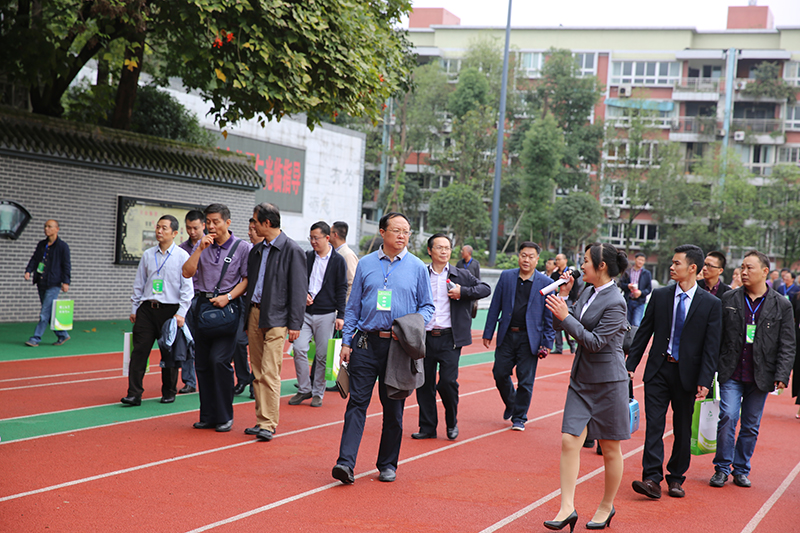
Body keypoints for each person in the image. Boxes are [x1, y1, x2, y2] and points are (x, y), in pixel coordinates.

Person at [331, 212, 434, 485]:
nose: (402, 235)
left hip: (399, 347)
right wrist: (347, 342)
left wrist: (411, 327)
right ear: (382, 232)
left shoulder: (417, 267)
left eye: (406, 231)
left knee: (394, 410)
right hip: (366, 342)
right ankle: (345, 463)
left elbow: (428, 306)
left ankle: (387, 464)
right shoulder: (366, 264)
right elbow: (353, 306)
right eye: (397, 230)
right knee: (356, 403)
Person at [543, 243, 630, 531]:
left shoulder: (616, 302)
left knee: (610, 448)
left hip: (609, 382)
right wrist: (564, 299)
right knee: (569, 441)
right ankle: (566, 507)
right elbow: (562, 326)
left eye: (585, 261)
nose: (580, 266)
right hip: (581, 379)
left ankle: (606, 505)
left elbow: (594, 342)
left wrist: (566, 315)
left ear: (601, 266)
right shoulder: (586, 292)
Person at [626, 244, 722, 500]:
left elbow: (712, 346)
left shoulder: (711, 304)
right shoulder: (660, 296)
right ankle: (652, 478)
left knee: (682, 428)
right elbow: (644, 332)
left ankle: (677, 477)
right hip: (658, 370)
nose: (671, 267)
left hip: (687, 375)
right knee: (654, 426)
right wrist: (630, 365)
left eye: (677, 263)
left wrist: (705, 380)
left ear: (692, 268)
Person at [710, 250, 795, 489]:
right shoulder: (729, 299)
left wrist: (782, 374)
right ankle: (722, 468)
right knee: (728, 416)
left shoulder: (781, 304)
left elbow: (788, 343)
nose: (744, 272)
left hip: (761, 374)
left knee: (750, 425)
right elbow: (716, 336)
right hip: (731, 370)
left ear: (765, 271)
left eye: (750, 268)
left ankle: (741, 469)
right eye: (743, 267)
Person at [413, 234, 490, 441]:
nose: (444, 251)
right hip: (424, 337)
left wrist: (462, 292)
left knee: (447, 382)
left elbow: (485, 289)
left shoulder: (461, 274)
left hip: (450, 338)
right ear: (430, 251)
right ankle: (427, 427)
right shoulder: (421, 274)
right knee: (424, 384)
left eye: (447, 248)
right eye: (439, 247)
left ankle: (451, 422)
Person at [182, 204, 251, 433]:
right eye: (208, 222)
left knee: (219, 360)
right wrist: (199, 250)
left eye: (216, 222)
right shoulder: (201, 245)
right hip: (202, 308)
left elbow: (246, 280)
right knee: (202, 363)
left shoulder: (242, 247)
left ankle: (224, 415)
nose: (211, 226)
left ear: (227, 222)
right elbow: (187, 272)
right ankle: (208, 416)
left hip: (227, 309)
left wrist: (227, 297)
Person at [242, 203, 307, 441]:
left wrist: (295, 324)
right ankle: (262, 420)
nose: (253, 225)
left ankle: (268, 424)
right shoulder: (257, 251)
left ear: (267, 223)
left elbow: (299, 290)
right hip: (255, 314)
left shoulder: (292, 250)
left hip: (277, 317)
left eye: (255, 221)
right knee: (257, 371)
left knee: (270, 371)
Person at [122, 215, 194, 406]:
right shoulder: (148, 255)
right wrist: (135, 308)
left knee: (169, 353)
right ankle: (134, 394)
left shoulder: (182, 256)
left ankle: (169, 391)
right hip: (147, 309)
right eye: (158, 227)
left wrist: (181, 313)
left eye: (164, 228)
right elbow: (139, 283)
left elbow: (187, 289)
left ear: (175, 233)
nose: (159, 231)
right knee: (139, 351)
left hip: (170, 311)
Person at [483, 242, 555, 431]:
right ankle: (511, 402)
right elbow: (495, 305)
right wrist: (488, 332)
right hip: (507, 335)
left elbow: (549, 316)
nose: (526, 260)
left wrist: (547, 342)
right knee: (499, 373)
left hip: (530, 339)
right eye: (523, 255)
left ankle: (519, 417)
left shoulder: (546, 283)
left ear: (537, 260)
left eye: (531, 256)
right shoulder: (507, 277)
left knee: (525, 380)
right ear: (519, 256)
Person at [289, 221, 347, 408]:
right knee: (299, 348)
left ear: (327, 238)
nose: (313, 241)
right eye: (311, 238)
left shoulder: (338, 261)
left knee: (322, 356)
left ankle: (317, 393)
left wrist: (341, 315)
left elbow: (342, 288)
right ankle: (304, 388)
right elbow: (297, 280)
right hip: (305, 313)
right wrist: (303, 294)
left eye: (316, 238)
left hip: (327, 314)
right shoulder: (307, 257)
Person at [24, 219, 71, 347]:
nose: (46, 229)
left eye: (50, 226)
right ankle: (63, 335)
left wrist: (66, 282)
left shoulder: (63, 246)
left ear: (57, 229)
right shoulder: (41, 244)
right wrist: (28, 270)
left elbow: (66, 265)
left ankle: (35, 338)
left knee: (44, 313)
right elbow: (34, 259)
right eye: (45, 226)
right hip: (41, 282)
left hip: (54, 283)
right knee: (49, 312)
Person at [176, 209, 206, 394]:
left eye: (195, 228)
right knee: (186, 340)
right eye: (188, 228)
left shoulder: (211, 246)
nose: (192, 231)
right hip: (187, 300)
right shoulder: (181, 249)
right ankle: (189, 380)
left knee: (205, 342)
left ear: (203, 225)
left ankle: (206, 378)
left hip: (205, 300)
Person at [551, 253, 583, 354]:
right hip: (557, 299)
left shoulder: (571, 273)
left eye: (559, 259)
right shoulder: (554, 274)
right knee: (556, 323)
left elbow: (575, 287)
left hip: (569, 300)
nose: (557, 261)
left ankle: (572, 344)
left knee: (567, 323)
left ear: (565, 260)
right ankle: (558, 347)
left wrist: (574, 300)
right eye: (556, 260)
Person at [617, 252, 652, 327]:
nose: (640, 262)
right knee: (626, 323)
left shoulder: (647, 273)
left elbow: (649, 289)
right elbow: (620, 284)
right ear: (635, 259)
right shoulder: (627, 271)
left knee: (636, 323)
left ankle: (634, 335)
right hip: (628, 300)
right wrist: (628, 286)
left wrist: (640, 293)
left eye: (642, 260)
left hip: (640, 302)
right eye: (639, 259)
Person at [330, 221, 359, 302]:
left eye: (329, 232)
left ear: (335, 234)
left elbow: (352, 284)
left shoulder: (348, 255)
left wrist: (345, 306)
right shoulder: (334, 252)